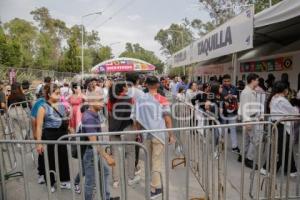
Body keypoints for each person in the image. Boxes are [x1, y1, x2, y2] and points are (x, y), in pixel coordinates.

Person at [132, 76, 176, 199]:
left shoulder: (140, 99)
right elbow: (167, 119)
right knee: (156, 161)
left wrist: (138, 132)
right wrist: (171, 135)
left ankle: (152, 184)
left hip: (146, 134)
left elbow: (136, 118)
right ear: (157, 85)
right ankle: (154, 188)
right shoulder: (162, 99)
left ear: (146, 85)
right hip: (159, 135)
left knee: (150, 160)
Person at [81, 91, 119, 200]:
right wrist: (107, 157)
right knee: (90, 181)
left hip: (93, 152)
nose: (103, 103)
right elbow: (93, 142)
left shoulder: (94, 114)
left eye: (103, 100)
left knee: (105, 172)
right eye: (100, 100)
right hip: (90, 153)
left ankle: (106, 197)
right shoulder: (89, 118)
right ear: (92, 102)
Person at [35, 83, 71, 192]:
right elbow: (39, 126)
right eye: (57, 93)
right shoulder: (42, 107)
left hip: (62, 134)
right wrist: (39, 143)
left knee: (63, 158)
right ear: (50, 94)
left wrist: (69, 128)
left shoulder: (61, 105)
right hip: (50, 135)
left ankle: (65, 180)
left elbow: (64, 118)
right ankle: (50, 182)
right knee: (50, 159)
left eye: (60, 93)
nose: (60, 95)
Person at [260, 81, 298, 177]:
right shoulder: (282, 100)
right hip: (281, 126)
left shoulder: (273, 97)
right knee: (280, 149)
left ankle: (290, 169)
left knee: (283, 148)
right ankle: (267, 168)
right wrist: (296, 109)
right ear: (285, 90)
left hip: (276, 125)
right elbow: (293, 112)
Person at [108, 79, 140, 188]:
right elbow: (133, 115)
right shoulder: (129, 99)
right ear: (123, 88)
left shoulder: (111, 99)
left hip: (114, 129)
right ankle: (131, 178)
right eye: (126, 85)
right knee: (131, 153)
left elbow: (110, 114)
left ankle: (115, 181)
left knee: (115, 155)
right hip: (128, 128)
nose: (127, 87)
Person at [238, 73, 260, 169]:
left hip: (252, 117)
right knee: (255, 139)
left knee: (247, 139)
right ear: (252, 80)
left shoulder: (251, 91)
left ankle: (242, 155)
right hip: (249, 118)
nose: (258, 82)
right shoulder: (246, 92)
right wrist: (247, 121)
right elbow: (244, 107)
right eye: (257, 80)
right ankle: (249, 159)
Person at [221, 74, 240, 154]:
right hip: (222, 112)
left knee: (233, 129)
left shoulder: (234, 88)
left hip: (232, 112)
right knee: (222, 129)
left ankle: (234, 146)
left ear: (230, 80)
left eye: (228, 81)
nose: (226, 82)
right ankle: (221, 144)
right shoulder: (220, 88)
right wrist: (226, 98)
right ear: (223, 81)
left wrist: (238, 111)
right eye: (225, 81)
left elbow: (237, 100)